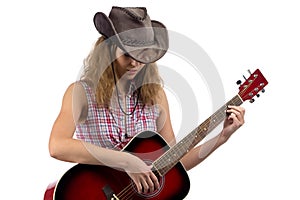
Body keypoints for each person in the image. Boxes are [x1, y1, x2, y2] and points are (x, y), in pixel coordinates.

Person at [48, 6, 245, 197]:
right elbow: (57, 146)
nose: (134, 63)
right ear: (108, 50)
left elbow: (175, 164)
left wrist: (221, 137)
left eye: (141, 54)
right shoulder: (81, 93)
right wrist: (127, 161)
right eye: (127, 54)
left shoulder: (156, 96)